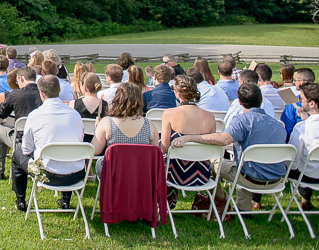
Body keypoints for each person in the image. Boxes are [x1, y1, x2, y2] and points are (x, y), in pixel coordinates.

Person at [171, 83, 287, 215]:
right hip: (276, 180)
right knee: (244, 164)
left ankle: (221, 199)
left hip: (250, 178)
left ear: (239, 102)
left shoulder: (243, 121)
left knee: (213, 162)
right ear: (261, 100)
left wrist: (191, 137)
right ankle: (244, 209)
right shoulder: (277, 125)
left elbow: (224, 139)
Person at [10, 75, 84, 212]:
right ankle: (65, 200)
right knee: (67, 151)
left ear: (42, 93)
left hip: (46, 175)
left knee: (17, 155)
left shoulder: (35, 116)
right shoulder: (75, 114)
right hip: (77, 174)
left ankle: (20, 200)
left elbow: (26, 150)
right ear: (59, 90)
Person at [160, 75, 216, 207]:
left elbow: (164, 147)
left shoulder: (169, 114)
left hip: (174, 174)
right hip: (202, 174)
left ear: (178, 94)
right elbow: (211, 146)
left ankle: (166, 201)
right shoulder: (210, 116)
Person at [92, 83, 158, 175]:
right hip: (140, 173)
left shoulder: (106, 123)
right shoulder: (149, 125)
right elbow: (155, 155)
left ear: (118, 98)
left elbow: (95, 150)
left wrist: (97, 129)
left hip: (114, 173)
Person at [0, 67, 41, 180]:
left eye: (18, 81)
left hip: (21, 140)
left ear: (22, 79)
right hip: (42, 138)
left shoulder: (15, 94)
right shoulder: (44, 93)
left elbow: (0, 114)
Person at [280, 67, 319, 139]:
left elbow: (287, 130)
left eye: (295, 80)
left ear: (302, 82)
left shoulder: (292, 104)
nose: (293, 82)